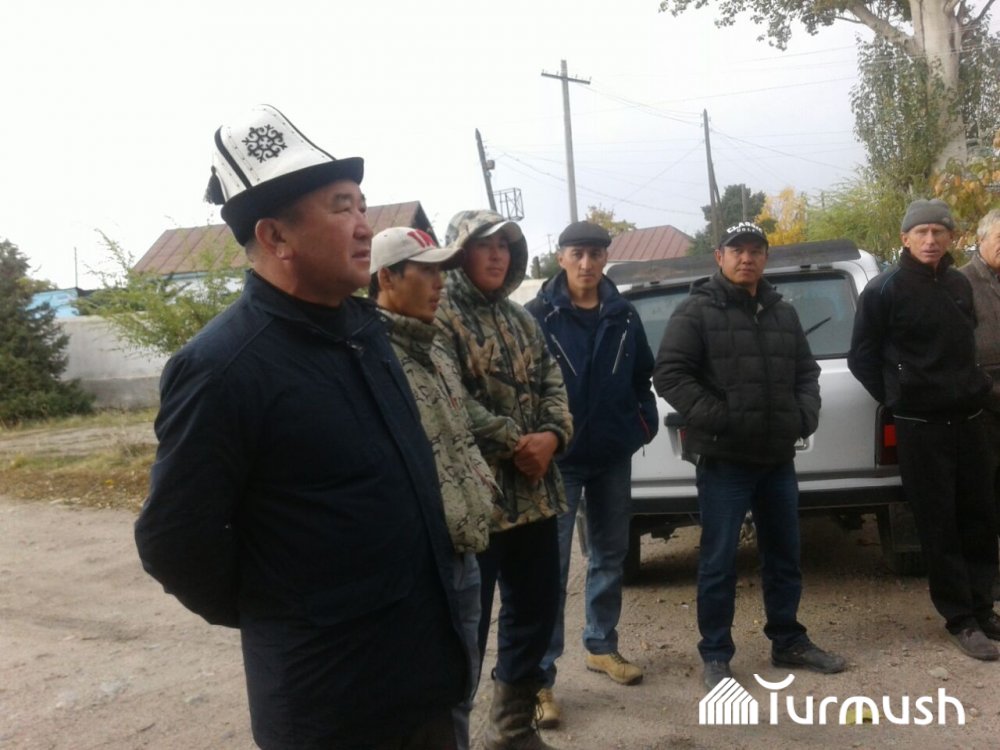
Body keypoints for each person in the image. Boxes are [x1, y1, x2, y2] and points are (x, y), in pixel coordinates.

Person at [134, 105, 466, 750]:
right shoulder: (223, 367)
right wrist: (283, 611)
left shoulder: (367, 332)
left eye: (362, 205)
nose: (366, 225)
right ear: (276, 236)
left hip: (422, 680)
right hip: (330, 706)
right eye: (342, 208)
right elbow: (173, 540)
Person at [654, 221, 846, 691]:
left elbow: (806, 372)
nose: (746, 258)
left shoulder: (782, 312)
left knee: (784, 555)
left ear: (765, 257)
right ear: (719, 256)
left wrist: (804, 416)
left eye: (755, 250)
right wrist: (722, 418)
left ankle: (788, 640)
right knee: (718, 561)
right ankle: (716, 654)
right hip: (724, 461)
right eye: (737, 250)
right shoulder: (696, 310)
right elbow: (670, 374)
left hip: (777, 458)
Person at [369, 226, 515, 750]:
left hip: (463, 542)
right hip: (423, 557)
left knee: (460, 684)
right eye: (426, 271)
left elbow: (460, 431)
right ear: (387, 277)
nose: (439, 283)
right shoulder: (374, 356)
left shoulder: (432, 345)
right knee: (431, 693)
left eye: (442, 271)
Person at [436, 210, 573, 750]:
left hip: (534, 496)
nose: (497, 254)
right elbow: (447, 398)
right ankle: (452, 738)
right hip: (474, 502)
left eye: (505, 246)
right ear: (458, 252)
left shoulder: (521, 319)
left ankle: (511, 730)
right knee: (464, 630)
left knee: (535, 613)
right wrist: (519, 442)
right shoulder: (439, 315)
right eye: (484, 244)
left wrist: (552, 437)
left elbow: (553, 382)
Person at [850, 199, 1000, 660]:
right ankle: (961, 619)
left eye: (939, 231)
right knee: (940, 525)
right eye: (921, 232)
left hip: (969, 419)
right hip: (921, 426)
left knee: (979, 518)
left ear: (952, 237)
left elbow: (965, 343)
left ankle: (983, 608)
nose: (930, 240)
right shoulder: (883, 290)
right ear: (905, 238)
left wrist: (975, 387)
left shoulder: (958, 284)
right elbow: (862, 357)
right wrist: (899, 397)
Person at [524, 220, 658, 728]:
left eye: (596, 254)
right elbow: (522, 386)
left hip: (611, 456)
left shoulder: (623, 314)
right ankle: (538, 677)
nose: (587, 263)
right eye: (577, 253)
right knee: (549, 568)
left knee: (610, 554)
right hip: (557, 461)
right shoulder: (538, 315)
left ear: (606, 259)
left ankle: (601, 645)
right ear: (560, 257)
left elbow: (643, 374)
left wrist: (640, 425)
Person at [959, 209, 1000, 601]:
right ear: (981, 240)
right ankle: (987, 579)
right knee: (983, 498)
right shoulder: (963, 282)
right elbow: (956, 348)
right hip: (982, 406)